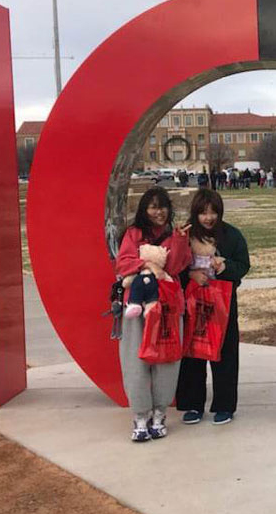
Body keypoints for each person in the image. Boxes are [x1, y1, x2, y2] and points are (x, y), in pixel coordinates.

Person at [114, 187, 191, 441]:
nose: (159, 212)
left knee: (168, 361)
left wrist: (180, 241)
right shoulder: (133, 234)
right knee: (135, 362)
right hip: (136, 310)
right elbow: (123, 263)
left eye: (163, 206)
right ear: (144, 210)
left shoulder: (174, 235)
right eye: (153, 207)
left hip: (168, 307)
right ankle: (140, 415)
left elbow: (179, 266)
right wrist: (147, 264)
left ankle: (159, 413)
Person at [176, 188, 250, 425]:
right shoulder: (184, 235)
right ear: (195, 213)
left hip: (222, 304)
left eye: (213, 212)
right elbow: (173, 266)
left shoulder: (231, 235)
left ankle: (224, 405)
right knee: (192, 353)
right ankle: (193, 404)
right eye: (203, 213)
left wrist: (224, 268)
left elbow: (243, 266)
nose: (208, 218)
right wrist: (191, 275)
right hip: (192, 303)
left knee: (225, 354)